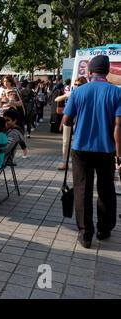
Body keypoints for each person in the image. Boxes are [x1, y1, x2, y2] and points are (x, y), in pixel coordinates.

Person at [62, 55, 121, 249]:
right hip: (106, 149)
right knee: (106, 190)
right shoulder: (116, 93)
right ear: (107, 71)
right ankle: (104, 229)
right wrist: (119, 156)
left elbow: (66, 121)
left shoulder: (78, 92)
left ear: (89, 72)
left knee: (82, 189)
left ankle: (85, 234)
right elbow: (118, 127)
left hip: (81, 149)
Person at [57, 76, 88, 170]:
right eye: (75, 84)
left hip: (81, 121)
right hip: (69, 120)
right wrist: (67, 95)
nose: (77, 86)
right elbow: (57, 100)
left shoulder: (86, 94)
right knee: (66, 142)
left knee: (80, 142)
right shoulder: (72, 93)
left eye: (79, 85)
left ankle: (81, 163)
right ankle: (65, 163)